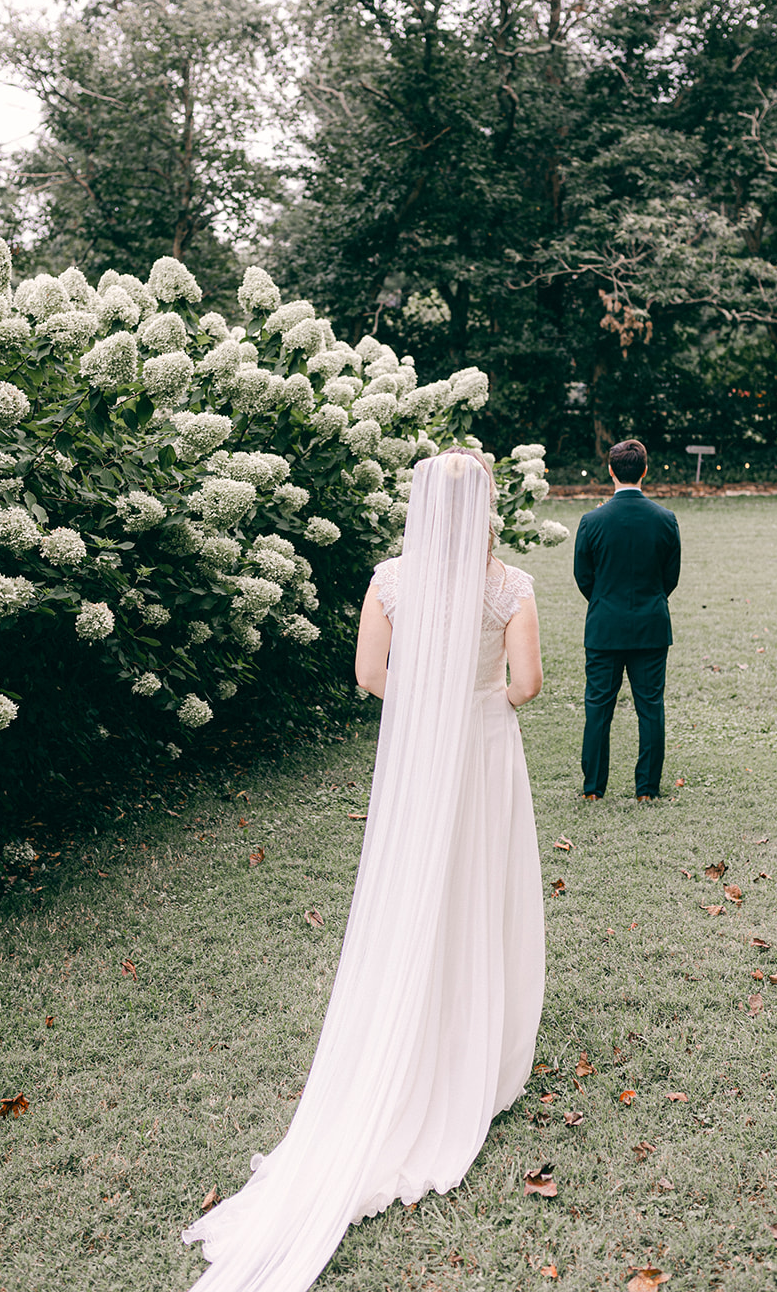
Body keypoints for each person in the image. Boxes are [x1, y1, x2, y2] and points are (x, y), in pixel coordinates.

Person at [182, 448, 545, 1292]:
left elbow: (369, 675)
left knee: (412, 891)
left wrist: (428, 702)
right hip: (486, 750)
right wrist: (478, 694)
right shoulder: (511, 587)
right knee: (480, 888)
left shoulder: (390, 579)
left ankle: (413, 1023)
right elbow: (525, 683)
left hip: (417, 754)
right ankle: (475, 1042)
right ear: (487, 502)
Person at [574, 438, 680, 802]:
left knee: (598, 708)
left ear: (611, 471)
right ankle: (646, 790)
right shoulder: (666, 520)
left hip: (604, 627)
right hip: (651, 625)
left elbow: (583, 577)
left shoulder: (592, 521)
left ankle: (593, 789)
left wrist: (605, 601)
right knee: (650, 708)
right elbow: (671, 576)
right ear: (645, 471)